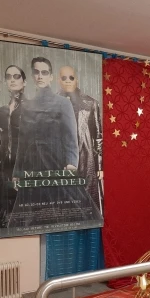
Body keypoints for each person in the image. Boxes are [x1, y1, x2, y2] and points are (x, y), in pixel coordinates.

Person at [9, 57, 80, 229]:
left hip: (55, 164)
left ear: (50, 77)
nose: (40, 76)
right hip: (31, 167)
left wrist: (71, 163)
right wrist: (17, 172)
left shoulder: (63, 103)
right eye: (36, 72)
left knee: (59, 215)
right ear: (32, 76)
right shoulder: (27, 106)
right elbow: (22, 142)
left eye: (44, 72)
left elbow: (71, 137)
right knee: (31, 217)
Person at [58, 66, 103, 212]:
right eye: (64, 78)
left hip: (85, 158)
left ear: (76, 79)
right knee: (63, 206)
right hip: (60, 160)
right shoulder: (52, 104)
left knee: (87, 205)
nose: (68, 81)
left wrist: (100, 166)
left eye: (71, 77)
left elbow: (98, 136)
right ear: (59, 81)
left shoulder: (91, 103)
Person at [0, 65, 26, 229]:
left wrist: (20, 171)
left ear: (24, 81)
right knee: (2, 218)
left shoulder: (31, 109)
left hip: (23, 168)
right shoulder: (0, 113)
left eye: (16, 76)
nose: (12, 79)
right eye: (8, 76)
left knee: (21, 216)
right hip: (2, 171)